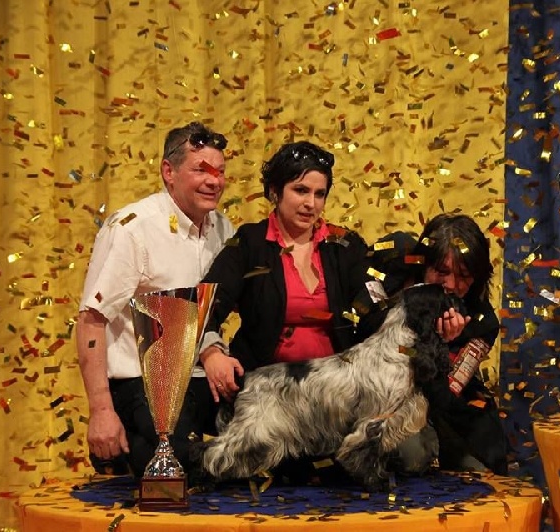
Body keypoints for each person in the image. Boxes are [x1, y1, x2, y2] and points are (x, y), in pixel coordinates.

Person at [193, 140, 375, 482]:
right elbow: (201, 306)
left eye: (319, 194)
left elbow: (374, 312)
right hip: (267, 401)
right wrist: (211, 352)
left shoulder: (346, 245)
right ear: (275, 191)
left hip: (335, 404)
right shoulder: (249, 242)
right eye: (300, 190)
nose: (310, 203)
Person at [76, 121, 235, 477]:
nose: (214, 181)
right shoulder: (133, 228)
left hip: (201, 377)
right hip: (143, 384)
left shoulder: (224, 229)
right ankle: (131, 445)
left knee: (269, 437)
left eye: (220, 172)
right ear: (168, 172)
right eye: (201, 170)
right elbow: (91, 321)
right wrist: (101, 412)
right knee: (184, 470)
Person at [360, 213, 510, 475]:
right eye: (441, 272)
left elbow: (445, 396)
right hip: (377, 391)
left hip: (444, 406)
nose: (450, 285)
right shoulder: (393, 257)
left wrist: (436, 346)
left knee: (478, 473)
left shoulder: (482, 323)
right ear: (423, 262)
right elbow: (360, 327)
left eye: (464, 276)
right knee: (409, 456)